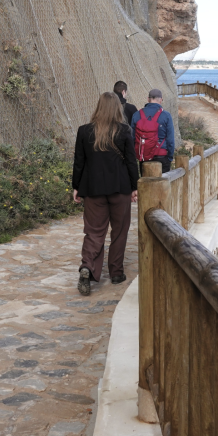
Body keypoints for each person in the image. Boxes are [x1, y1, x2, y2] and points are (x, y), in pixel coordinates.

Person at [72, 92, 139, 296]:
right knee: (119, 230)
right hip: (120, 188)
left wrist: (76, 186)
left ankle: (87, 266)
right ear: (117, 108)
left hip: (93, 189)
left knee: (94, 231)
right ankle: (116, 273)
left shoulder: (84, 131)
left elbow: (79, 162)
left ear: (99, 107)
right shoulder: (124, 131)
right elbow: (131, 161)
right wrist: (134, 187)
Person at [131, 89, 175, 173]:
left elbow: (132, 138)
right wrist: (169, 157)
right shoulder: (166, 116)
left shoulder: (137, 115)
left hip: (144, 156)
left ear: (148, 99)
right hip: (161, 155)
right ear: (161, 100)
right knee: (162, 181)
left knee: (146, 181)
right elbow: (170, 140)